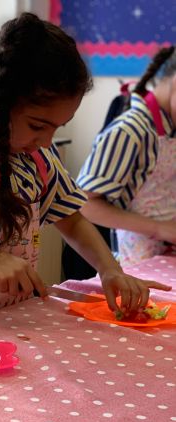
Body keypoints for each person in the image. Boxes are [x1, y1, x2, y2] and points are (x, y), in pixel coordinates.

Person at [0, 13, 171, 322]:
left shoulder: (37, 159)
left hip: (20, 316)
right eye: (38, 125)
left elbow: (72, 221)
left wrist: (109, 269)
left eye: (57, 127)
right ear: (0, 100)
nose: (47, 141)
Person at [77, 46, 176, 267]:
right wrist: (159, 228)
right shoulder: (129, 131)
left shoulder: (171, 128)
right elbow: (85, 204)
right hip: (138, 262)